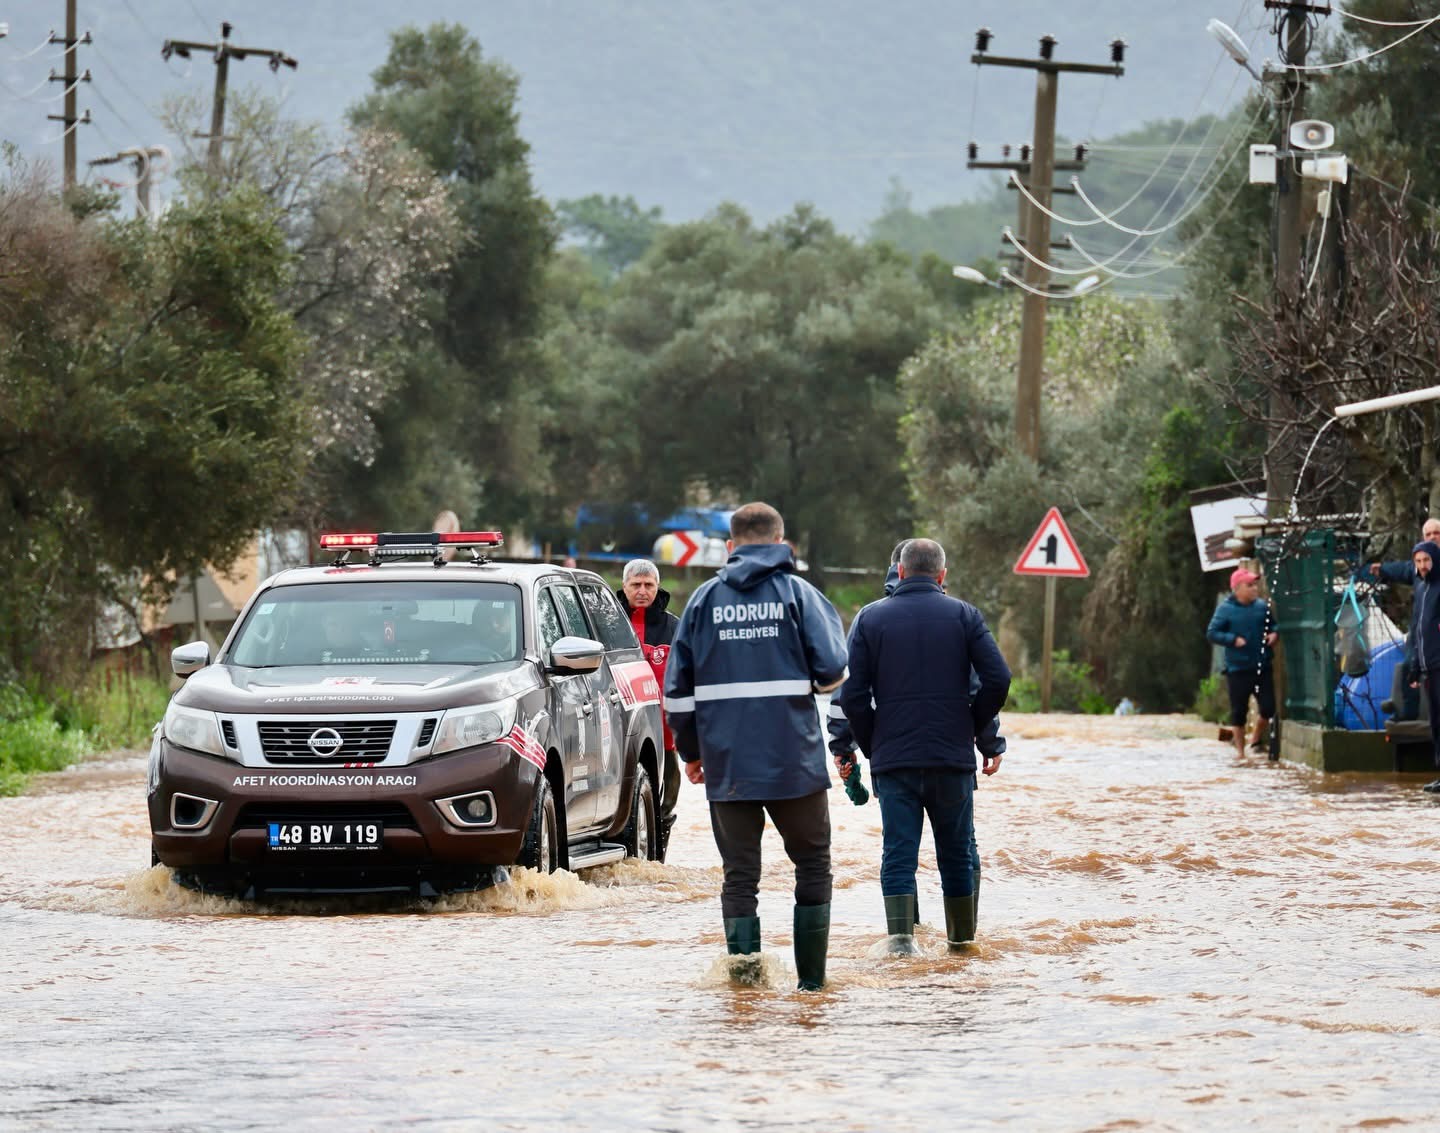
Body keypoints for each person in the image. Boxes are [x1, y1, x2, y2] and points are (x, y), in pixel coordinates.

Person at [663, 502, 848, 990]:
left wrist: (692, 752)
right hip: (795, 762)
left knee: (740, 876)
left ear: (730, 547)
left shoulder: (702, 602)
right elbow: (832, 671)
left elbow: (676, 694)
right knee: (813, 865)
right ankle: (811, 988)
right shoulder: (799, 596)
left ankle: (745, 995)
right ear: (783, 545)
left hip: (728, 764)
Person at [827, 538, 1007, 953]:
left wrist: (874, 744)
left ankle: (901, 945)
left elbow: (851, 695)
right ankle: (962, 945)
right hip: (952, 758)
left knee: (898, 853)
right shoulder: (966, 616)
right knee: (958, 853)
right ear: (942, 576)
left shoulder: (870, 619)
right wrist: (979, 733)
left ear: (900, 572)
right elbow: (996, 679)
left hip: (895, 762)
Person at [617, 558, 682, 855]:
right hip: (617, 733)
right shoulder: (607, 624)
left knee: (665, 803)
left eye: (649, 585)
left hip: (665, 735)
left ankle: (656, 861)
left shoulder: (674, 627)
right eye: (636, 585)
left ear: (657, 587)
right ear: (624, 586)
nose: (642, 591)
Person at [1366, 518, 1440, 721]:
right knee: (1409, 667)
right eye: (1429, 534)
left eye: (1437, 533)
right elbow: (1404, 569)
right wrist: (1383, 570)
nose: (1433, 537)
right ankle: (1408, 715)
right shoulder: (1420, 566)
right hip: (1419, 632)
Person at [1206, 567, 1278, 759]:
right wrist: (1232, 639)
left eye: (1255, 585)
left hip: (1262, 666)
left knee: (1268, 708)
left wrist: (1274, 634)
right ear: (1237, 588)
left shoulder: (1262, 607)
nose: (1255, 589)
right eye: (1250, 585)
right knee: (1238, 712)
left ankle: (1255, 739)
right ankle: (1240, 753)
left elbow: (1273, 625)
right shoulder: (1225, 610)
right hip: (1237, 669)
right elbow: (1212, 632)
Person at [1402, 540, 1440, 793]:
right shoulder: (1421, 587)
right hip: (1427, 666)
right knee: (1436, 722)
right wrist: (1414, 667)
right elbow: (1416, 629)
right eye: (1418, 561)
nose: (1423, 566)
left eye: (1426, 560)